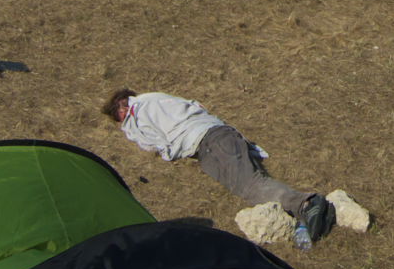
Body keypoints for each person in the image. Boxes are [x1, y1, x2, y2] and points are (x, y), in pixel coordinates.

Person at [102, 89, 333, 243]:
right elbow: (196, 106)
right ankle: (303, 214)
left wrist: (133, 129)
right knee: (245, 187)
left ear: (122, 108)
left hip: (210, 140)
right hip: (208, 144)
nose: (122, 124)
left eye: (119, 118)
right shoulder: (157, 100)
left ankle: (307, 204)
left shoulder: (141, 109)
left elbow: (154, 142)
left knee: (251, 185)